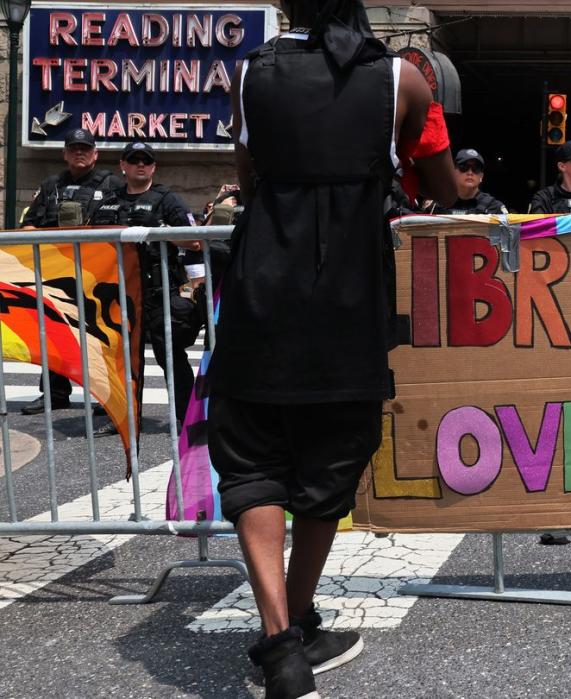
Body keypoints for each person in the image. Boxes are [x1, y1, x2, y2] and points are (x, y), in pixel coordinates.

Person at [207, 2, 455, 696]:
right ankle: (299, 617)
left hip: (263, 280)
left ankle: (282, 642)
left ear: (287, 6)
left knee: (252, 457)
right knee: (331, 460)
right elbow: (437, 182)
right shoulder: (399, 79)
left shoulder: (250, 74)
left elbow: (249, 179)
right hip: (349, 290)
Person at [92, 142, 200, 427]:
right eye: (134, 159)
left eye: (146, 160)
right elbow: (89, 241)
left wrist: (158, 230)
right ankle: (123, 419)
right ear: (123, 166)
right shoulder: (109, 201)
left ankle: (186, 419)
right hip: (119, 295)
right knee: (120, 359)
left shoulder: (167, 200)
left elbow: (195, 240)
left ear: (153, 167)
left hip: (158, 292)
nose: (141, 164)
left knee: (170, 357)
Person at [18, 128, 120, 415]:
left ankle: (106, 398)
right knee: (54, 331)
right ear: (64, 153)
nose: (79, 152)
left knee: (98, 335)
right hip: (55, 272)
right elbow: (30, 223)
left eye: (85, 148)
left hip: (95, 273)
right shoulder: (51, 185)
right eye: (74, 148)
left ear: (95, 154)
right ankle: (54, 394)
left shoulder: (111, 183)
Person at [432, 149, 508, 215]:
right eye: (464, 167)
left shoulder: (494, 207)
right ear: (454, 172)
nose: (470, 172)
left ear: (481, 176)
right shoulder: (437, 205)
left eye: (476, 168)